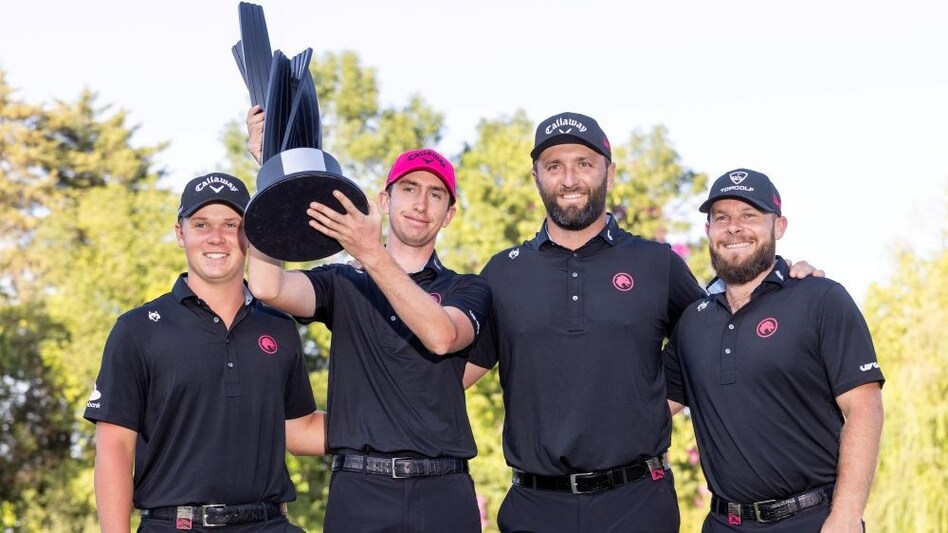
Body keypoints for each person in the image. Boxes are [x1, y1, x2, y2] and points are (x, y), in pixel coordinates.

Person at [462, 112, 821, 533]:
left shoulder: (656, 264)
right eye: (554, 166)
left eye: (584, 163)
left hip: (637, 504)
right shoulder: (503, 272)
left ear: (609, 174)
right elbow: (451, 375)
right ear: (537, 176)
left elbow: (724, 332)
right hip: (534, 505)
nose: (570, 178)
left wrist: (784, 281)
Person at [246, 108, 490, 533]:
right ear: (384, 200)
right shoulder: (343, 282)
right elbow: (268, 287)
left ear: (449, 214)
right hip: (359, 489)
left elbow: (440, 335)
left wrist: (370, 251)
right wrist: (271, 181)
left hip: (444, 492)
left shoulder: (468, 289)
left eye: (436, 194)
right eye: (409, 188)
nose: (420, 202)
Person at [84, 172, 325, 532]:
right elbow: (115, 448)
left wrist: (394, 425)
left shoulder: (280, 327)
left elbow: (299, 431)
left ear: (252, 234)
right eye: (201, 224)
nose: (217, 237)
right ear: (180, 234)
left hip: (269, 523)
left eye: (231, 224)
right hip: (175, 524)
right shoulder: (138, 328)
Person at [663, 168, 884, 532]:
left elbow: (864, 407)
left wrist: (845, 515)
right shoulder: (692, 322)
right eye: (722, 218)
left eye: (749, 215)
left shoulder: (821, 298)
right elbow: (648, 408)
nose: (734, 227)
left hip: (812, 520)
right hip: (722, 523)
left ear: (778, 227)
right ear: (708, 232)